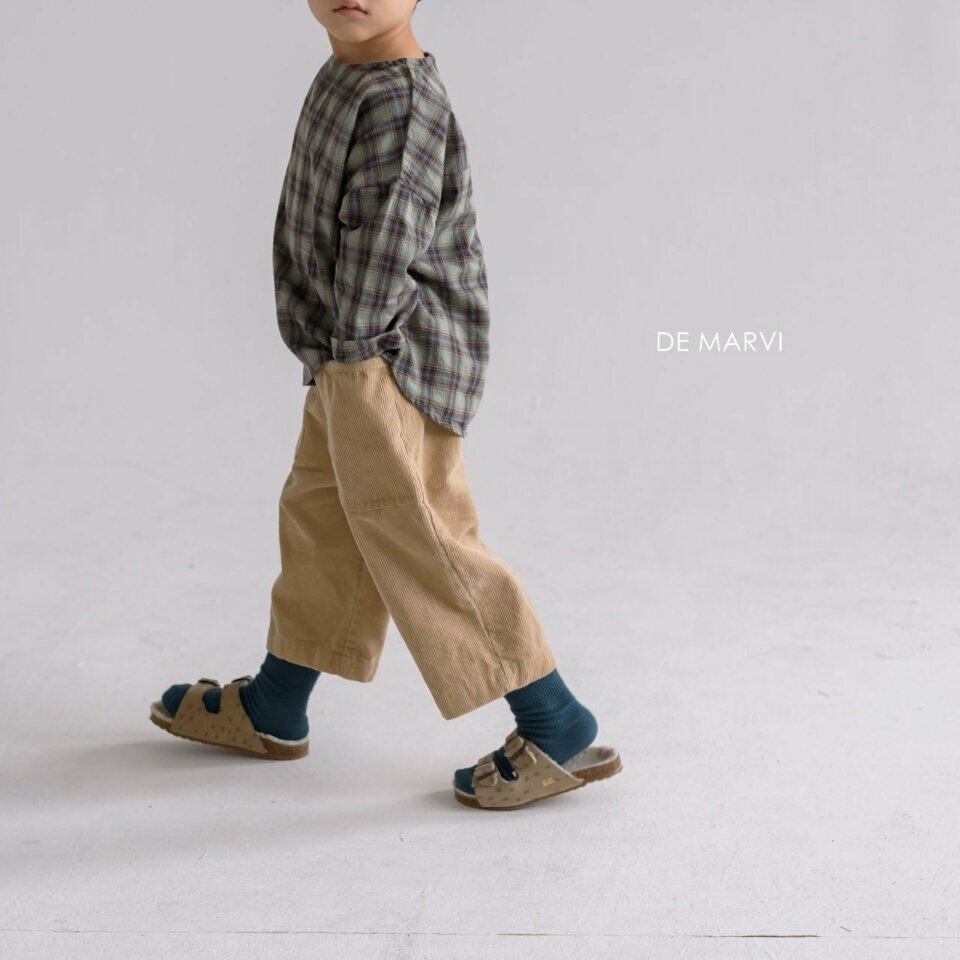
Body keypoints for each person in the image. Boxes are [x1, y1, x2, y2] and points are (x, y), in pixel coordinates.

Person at [149, 0, 620, 810]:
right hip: (343, 349)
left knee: (424, 536)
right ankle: (277, 703)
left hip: (386, 353)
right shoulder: (347, 75)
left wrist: (357, 356)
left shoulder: (400, 101)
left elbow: (383, 241)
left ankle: (555, 719)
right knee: (324, 516)